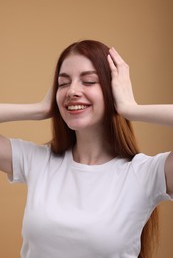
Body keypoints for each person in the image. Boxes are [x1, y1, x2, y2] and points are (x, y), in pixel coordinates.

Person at [0, 40, 172, 258]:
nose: (72, 91)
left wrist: (130, 109)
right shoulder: (38, 161)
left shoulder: (146, 173)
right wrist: (40, 109)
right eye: (63, 83)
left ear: (113, 91)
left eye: (89, 81)